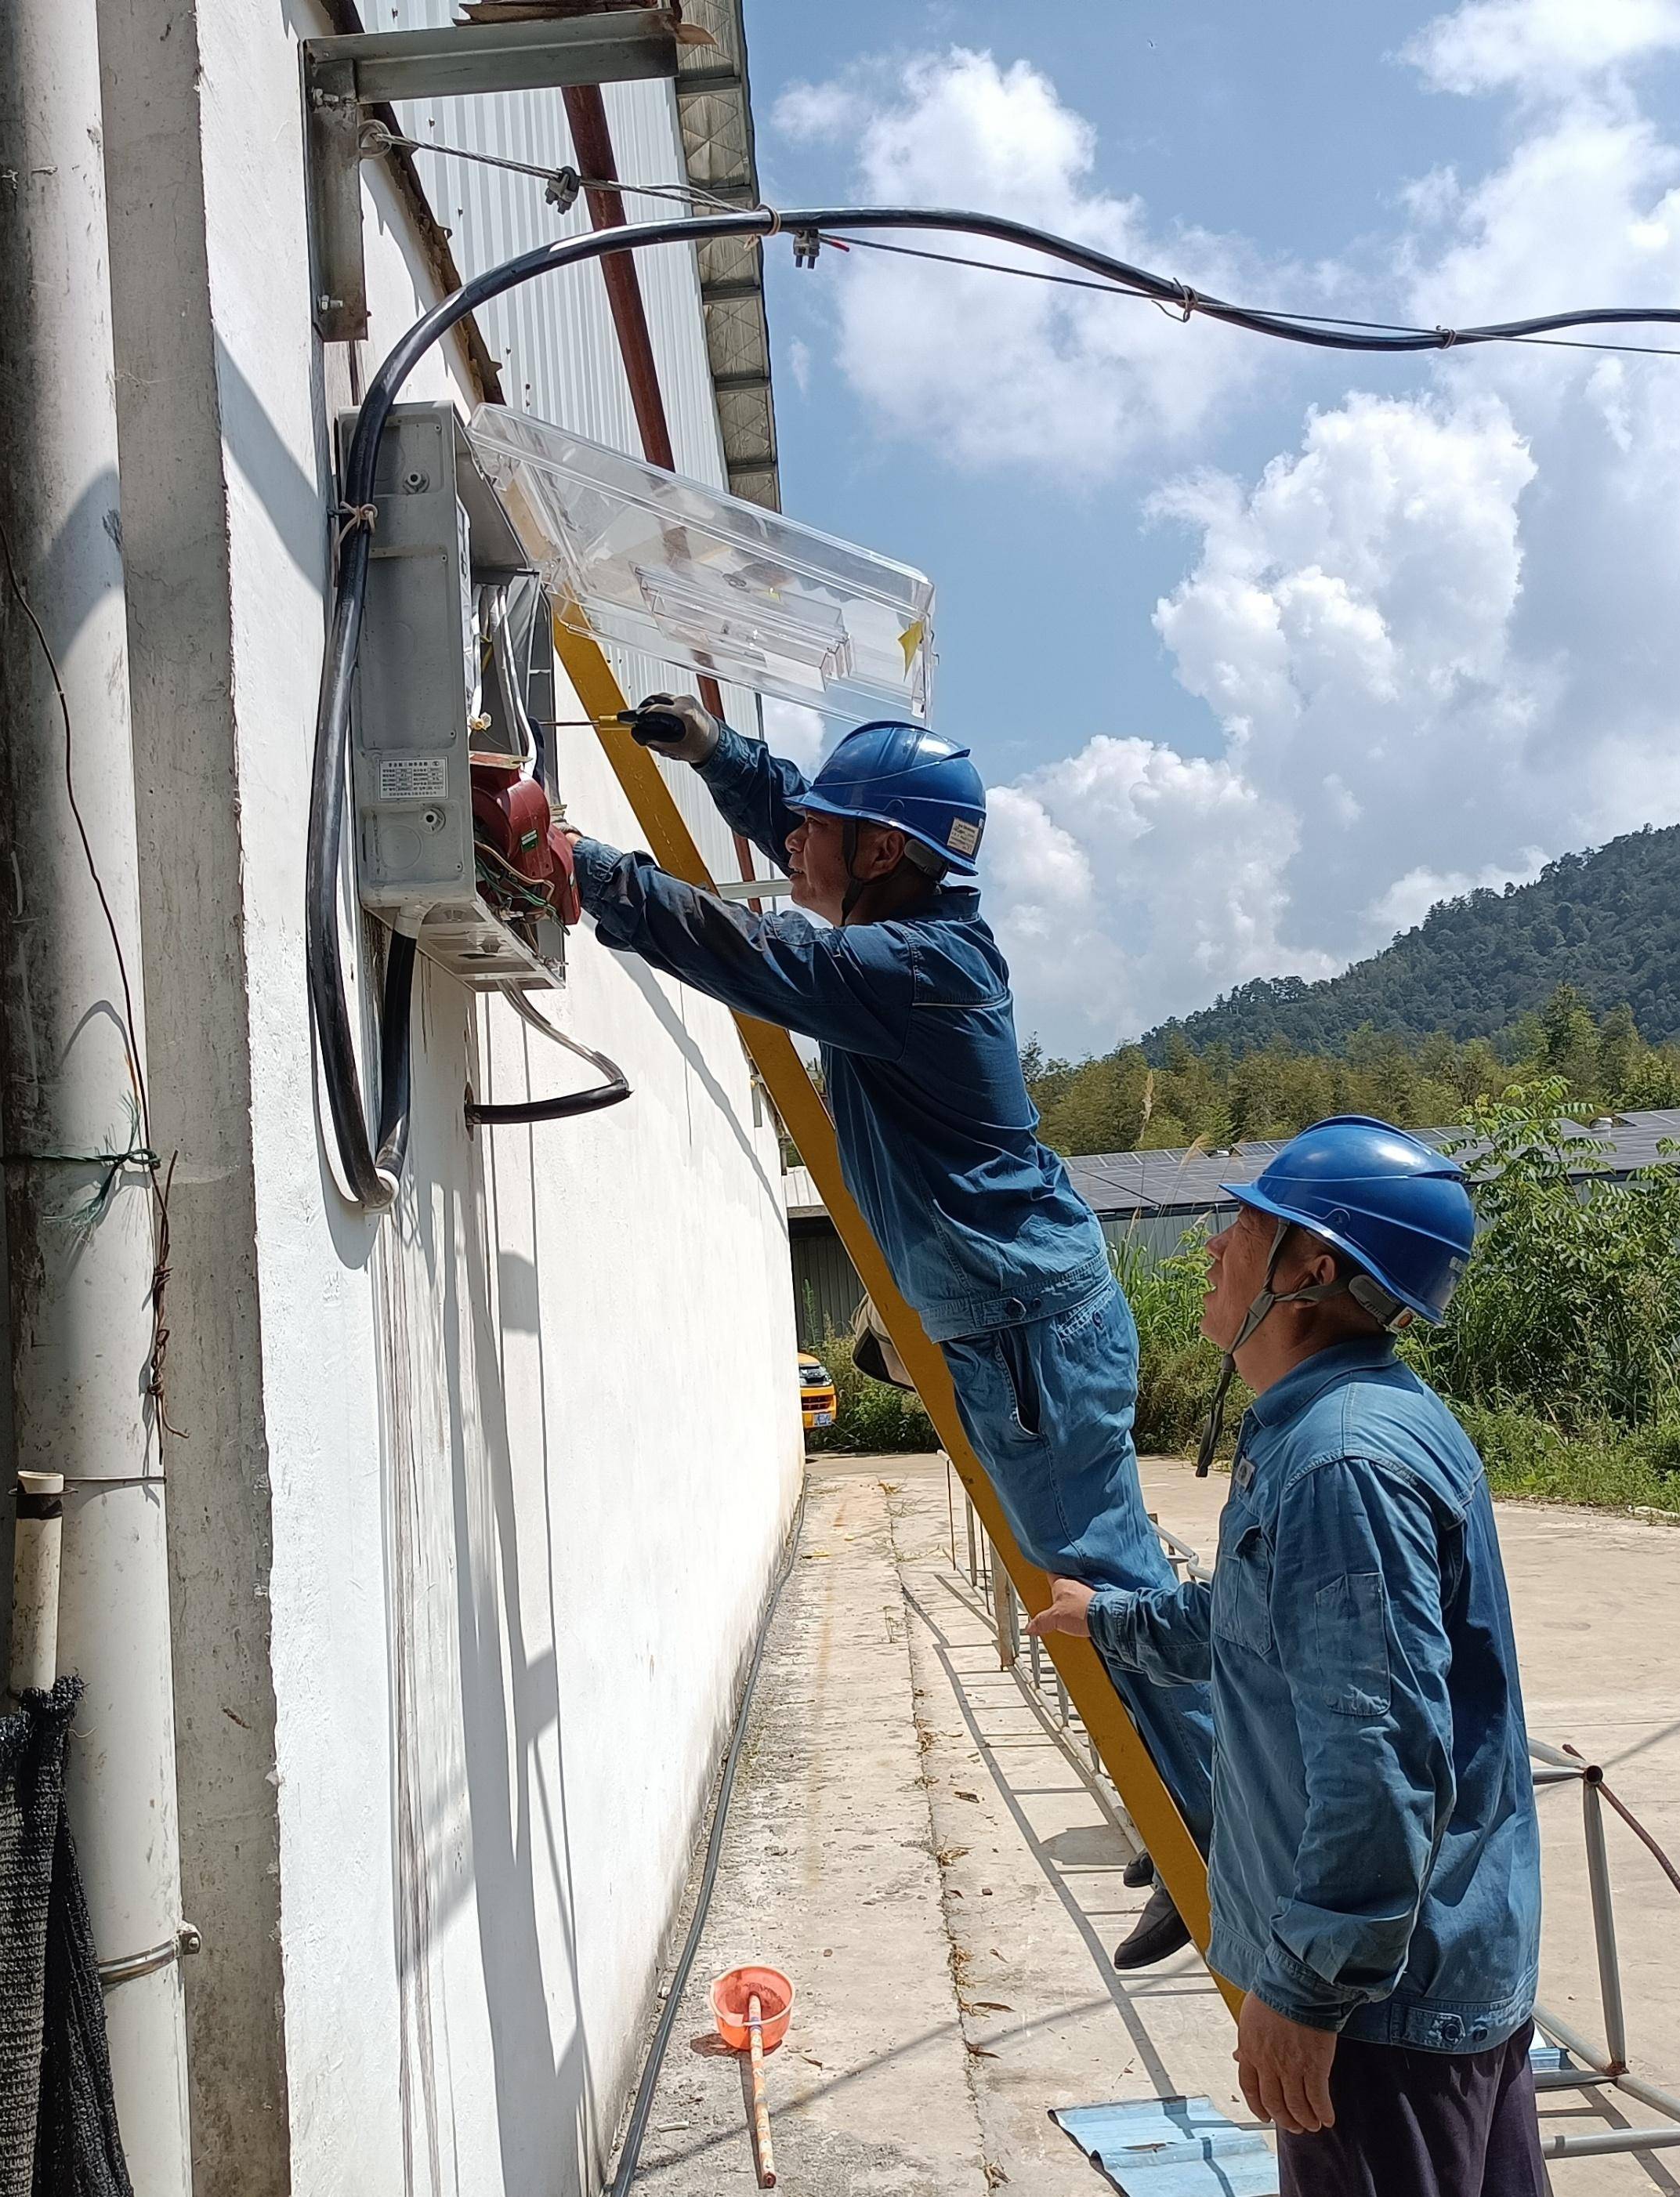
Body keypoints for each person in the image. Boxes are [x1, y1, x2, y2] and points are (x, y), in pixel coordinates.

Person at [567, 696, 1214, 1969]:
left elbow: (759, 950)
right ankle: (1198, 1806)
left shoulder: (913, 972)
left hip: (1027, 1332)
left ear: (878, 854)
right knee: (1105, 1578)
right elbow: (809, 852)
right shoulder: (910, 926)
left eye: (823, 829)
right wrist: (719, 759)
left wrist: (580, 869)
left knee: (1107, 1589)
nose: (791, 841)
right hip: (1020, 1319)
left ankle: (1218, 1837)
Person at [1026, 1117, 1546, 2197]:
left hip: (1380, 2020)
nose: (1213, 1246)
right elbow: (1254, 1625)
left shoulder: (1341, 1463)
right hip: (1415, 1988)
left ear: (1309, 1268)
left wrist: (1310, 1991)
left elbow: (1379, 1754)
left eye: (1244, 1225)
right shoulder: (1343, 1423)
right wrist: (1111, 1619)